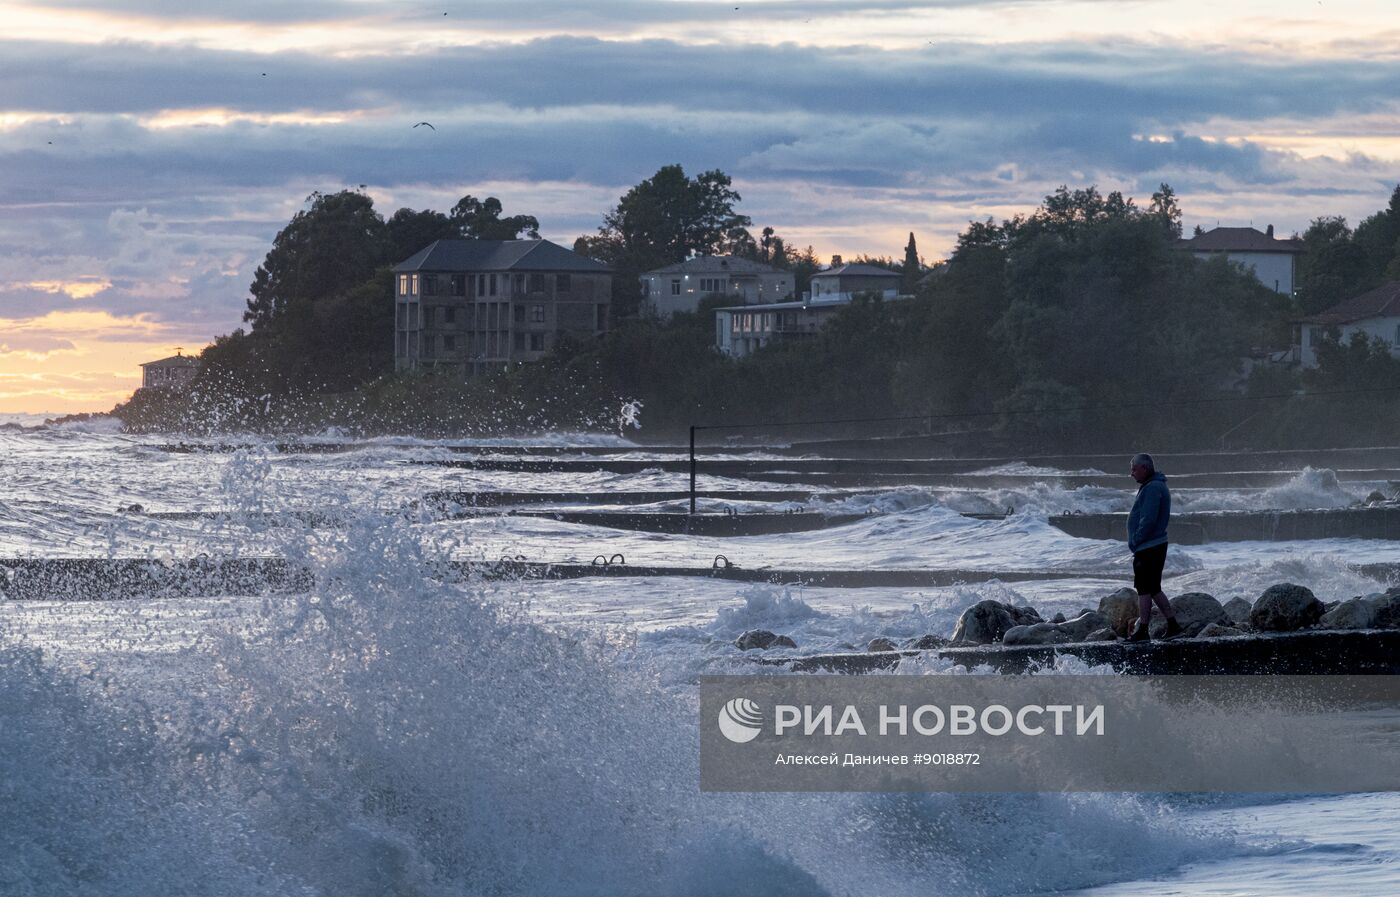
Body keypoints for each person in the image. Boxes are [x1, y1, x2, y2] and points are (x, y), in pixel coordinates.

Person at [1127, 453, 1182, 642]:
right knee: (1153, 588)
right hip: (1153, 544)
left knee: (1144, 589)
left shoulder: (1152, 488)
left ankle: (1143, 630)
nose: (1131, 473)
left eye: (1134, 469)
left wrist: (1136, 540)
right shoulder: (1154, 486)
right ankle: (1173, 625)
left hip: (1149, 546)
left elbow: (1148, 520)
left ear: (1145, 468)